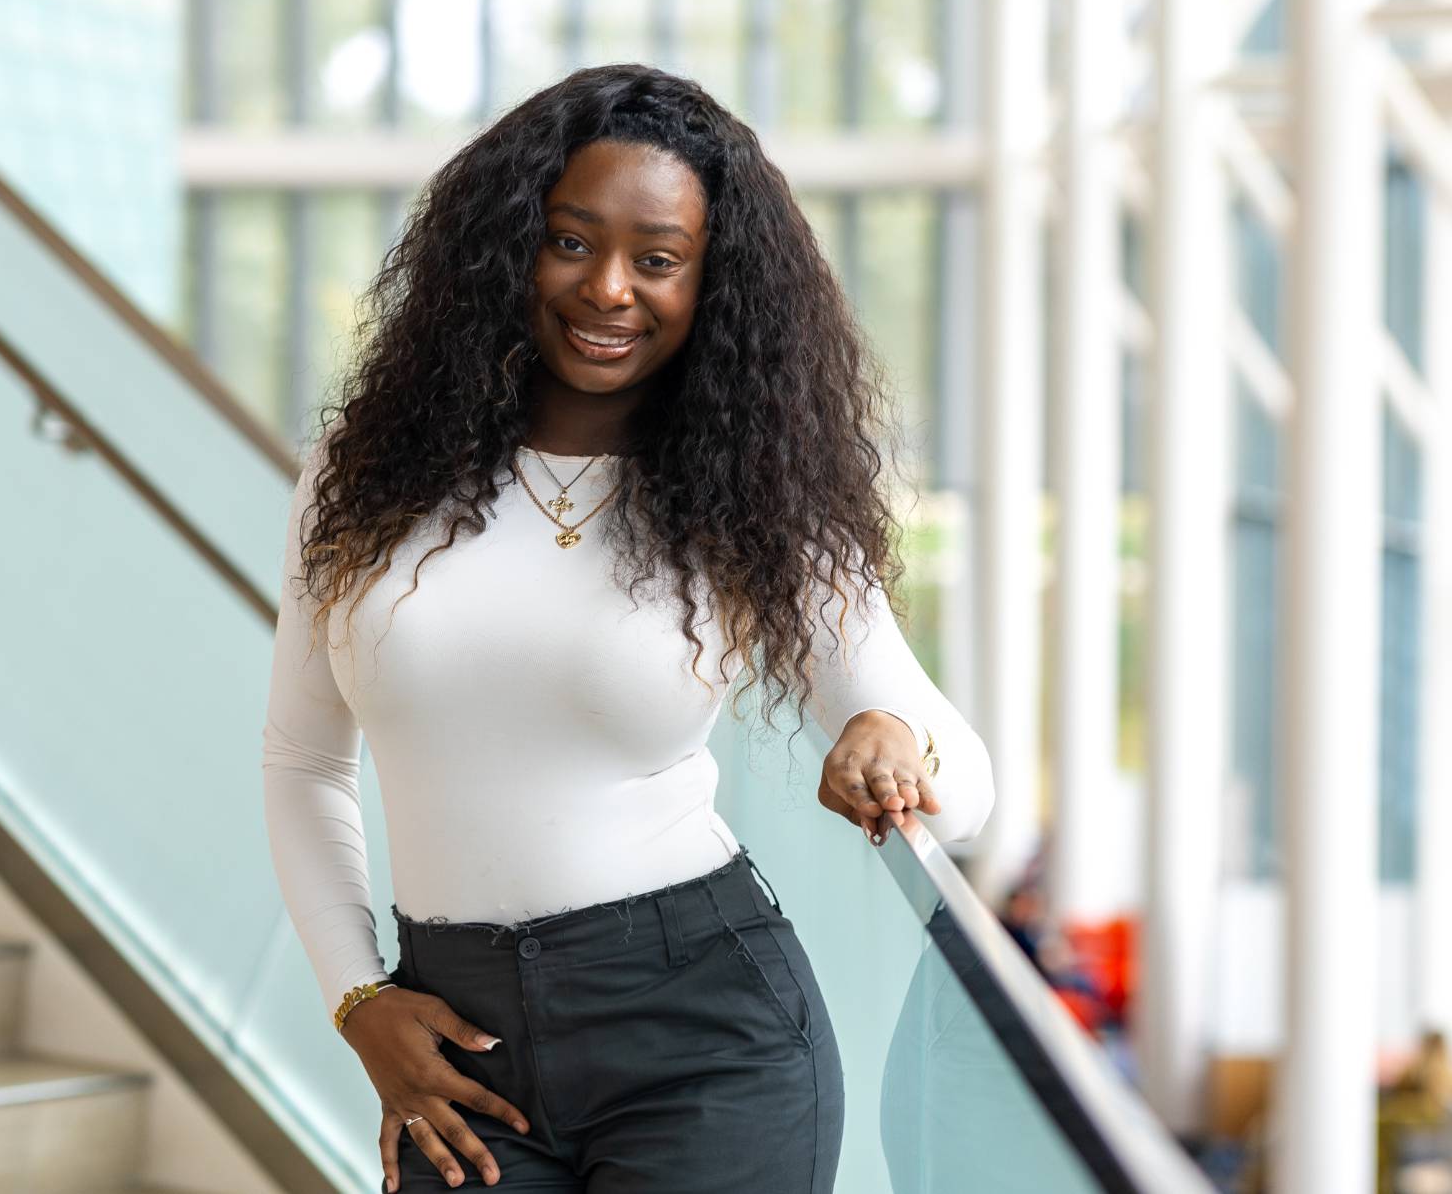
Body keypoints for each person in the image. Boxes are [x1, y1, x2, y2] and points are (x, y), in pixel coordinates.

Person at [261, 63, 995, 1193]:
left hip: (703, 1035)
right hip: (456, 1043)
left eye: (657, 260)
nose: (609, 288)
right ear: (505, 248)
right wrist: (357, 997)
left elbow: (965, 774)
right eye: (569, 241)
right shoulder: (361, 480)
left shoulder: (754, 491)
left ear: (710, 285)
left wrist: (891, 736)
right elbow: (304, 763)